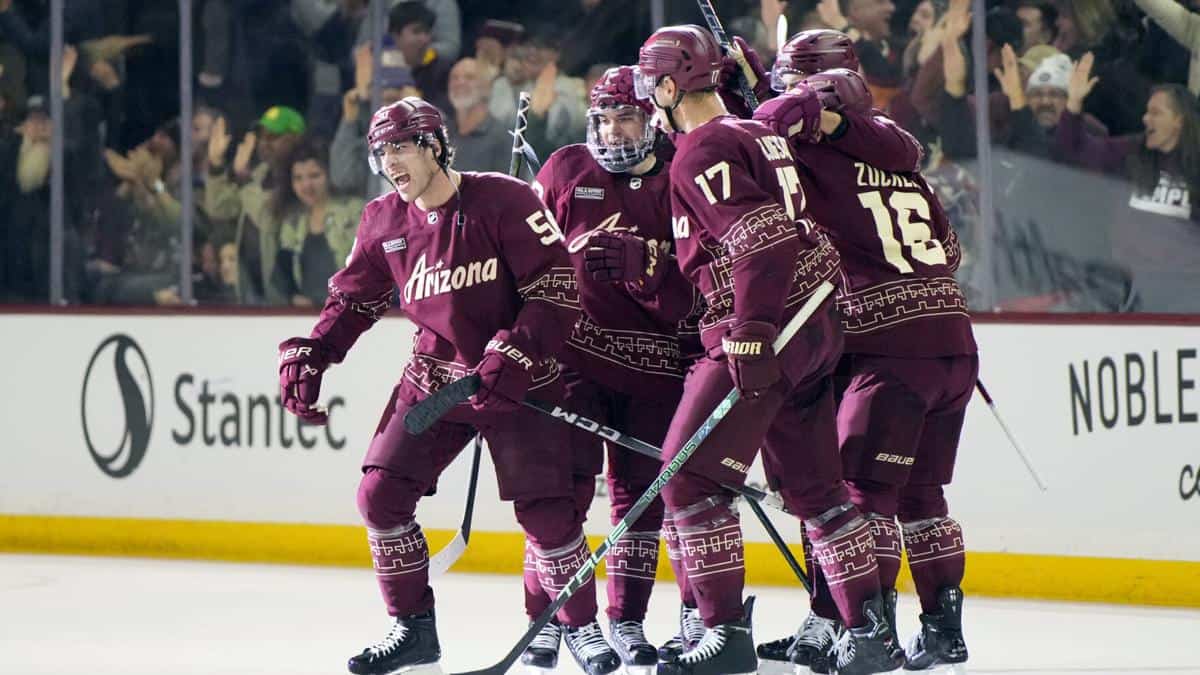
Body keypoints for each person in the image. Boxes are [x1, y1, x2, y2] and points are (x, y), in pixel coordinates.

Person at [275, 97, 591, 675]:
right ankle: (414, 630)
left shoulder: (507, 199)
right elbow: (353, 301)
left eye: (400, 146)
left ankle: (582, 628)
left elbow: (557, 289)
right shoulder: (383, 222)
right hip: (433, 383)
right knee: (380, 496)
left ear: (435, 146)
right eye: (381, 152)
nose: (390, 162)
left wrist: (519, 349)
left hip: (519, 380)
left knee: (547, 513)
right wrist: (316, 351)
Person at [633, 24, 901, 675]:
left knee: (689, 477)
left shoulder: (701, 149)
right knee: (818, 491)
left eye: (650, 88)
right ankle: (871, 630)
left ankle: (724, 633)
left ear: (670, 85)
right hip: (810, 327)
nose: (646, 103)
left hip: (766, 330)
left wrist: (749, 330)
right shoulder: (756, 131)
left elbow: (760, 239)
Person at [753, 66, 977, 671]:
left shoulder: (817, 162)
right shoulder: (905, 168)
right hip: (954, 342)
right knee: (924, 493)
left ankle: (867, 633)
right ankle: (943, 631)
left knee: (862, 495)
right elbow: (951, 252)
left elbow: (764, 133)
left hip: (889, 350)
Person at [523, 65, 698, 675]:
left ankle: (625, 620)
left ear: (653, 116)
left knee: (641, 499)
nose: (611, 129)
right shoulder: (566, 169)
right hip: (571, 359)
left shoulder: (683, 171)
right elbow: (528, 264)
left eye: (625, 115)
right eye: (601, 117)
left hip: (657, 365)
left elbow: (700, 281)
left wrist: (648, 269)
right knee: (560, 490)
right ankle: (546, 619)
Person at [1056, 64, 1200, 311]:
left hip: (1190, 291)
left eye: (1156, 113)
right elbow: (1075, 150)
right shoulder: (1130, 153)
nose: (1146, 118)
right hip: (1132, 288)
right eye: (1146, 112)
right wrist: (1073, 104)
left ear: (1179, 120)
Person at [270, 139, 363, 307]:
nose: (306, 185)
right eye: (298, 178)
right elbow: (282, 275)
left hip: (350, 312)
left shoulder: (354, 211)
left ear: (330, 174)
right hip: (308, 316)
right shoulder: (292, 222)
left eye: (314, 175)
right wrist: (294, 298)